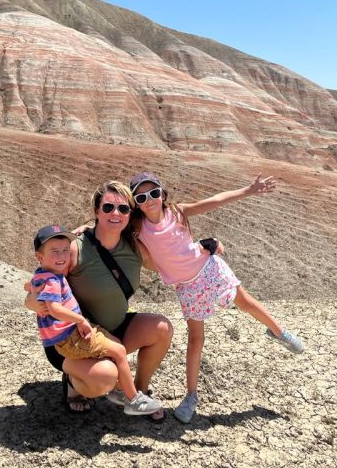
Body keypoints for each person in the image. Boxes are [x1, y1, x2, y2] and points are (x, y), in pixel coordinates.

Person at [129, 171, 304, 423]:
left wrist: (249, 190)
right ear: (136, 203)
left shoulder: (177, 212)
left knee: (245, 302)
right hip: (187, 286)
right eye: (142, 197)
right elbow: (111, 221)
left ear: (162, 194)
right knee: (195, 339)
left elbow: (215, 200)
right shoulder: (138, 226)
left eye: (154, 193)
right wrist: (85, 228)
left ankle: (278, 331)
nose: (150, 200)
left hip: (209, 268)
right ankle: (191, 397)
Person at [24, 181, 173, 418]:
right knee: (105, 377)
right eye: (108, 208)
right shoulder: (76, 248)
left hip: (112, 328)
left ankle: (138, 392)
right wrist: (31, 302)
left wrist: (207, 251)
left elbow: (174, 266)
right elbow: (41, 283)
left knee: (162, 328)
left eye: (123, 209)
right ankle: (74, 383)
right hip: (74, 337)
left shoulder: (134, 248)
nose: (116, 214)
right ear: (96, 211)